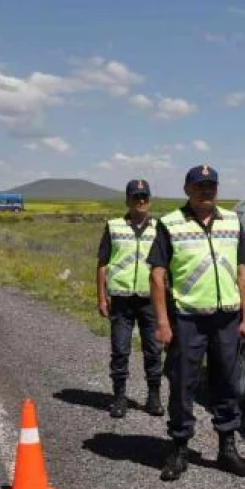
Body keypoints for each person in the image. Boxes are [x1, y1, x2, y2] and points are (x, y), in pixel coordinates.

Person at [148, 164, 245, 481]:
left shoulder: (233, 221)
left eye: (211, 186)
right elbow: (157, 276)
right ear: (187, 189)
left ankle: (227, 448)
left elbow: (243, 273)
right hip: (187, 319)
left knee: (226, 381)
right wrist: (163, 324)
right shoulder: (170, 224)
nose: (205, 191)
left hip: (226, 318)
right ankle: (179, 447)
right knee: (183, 383)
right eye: (199, 186)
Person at [96, 179, 164, 418]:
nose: (141, 201)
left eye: (144, 196)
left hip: (150, 300)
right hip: (121, 300)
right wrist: (101, 298)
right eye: (136, 197)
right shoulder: (114, 226)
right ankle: (119, 397)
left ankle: (153, 396)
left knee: (154, 350)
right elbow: (103, 264)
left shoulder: (160, 228)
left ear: (150, 199)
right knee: (120, 349)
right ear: (127, 200)